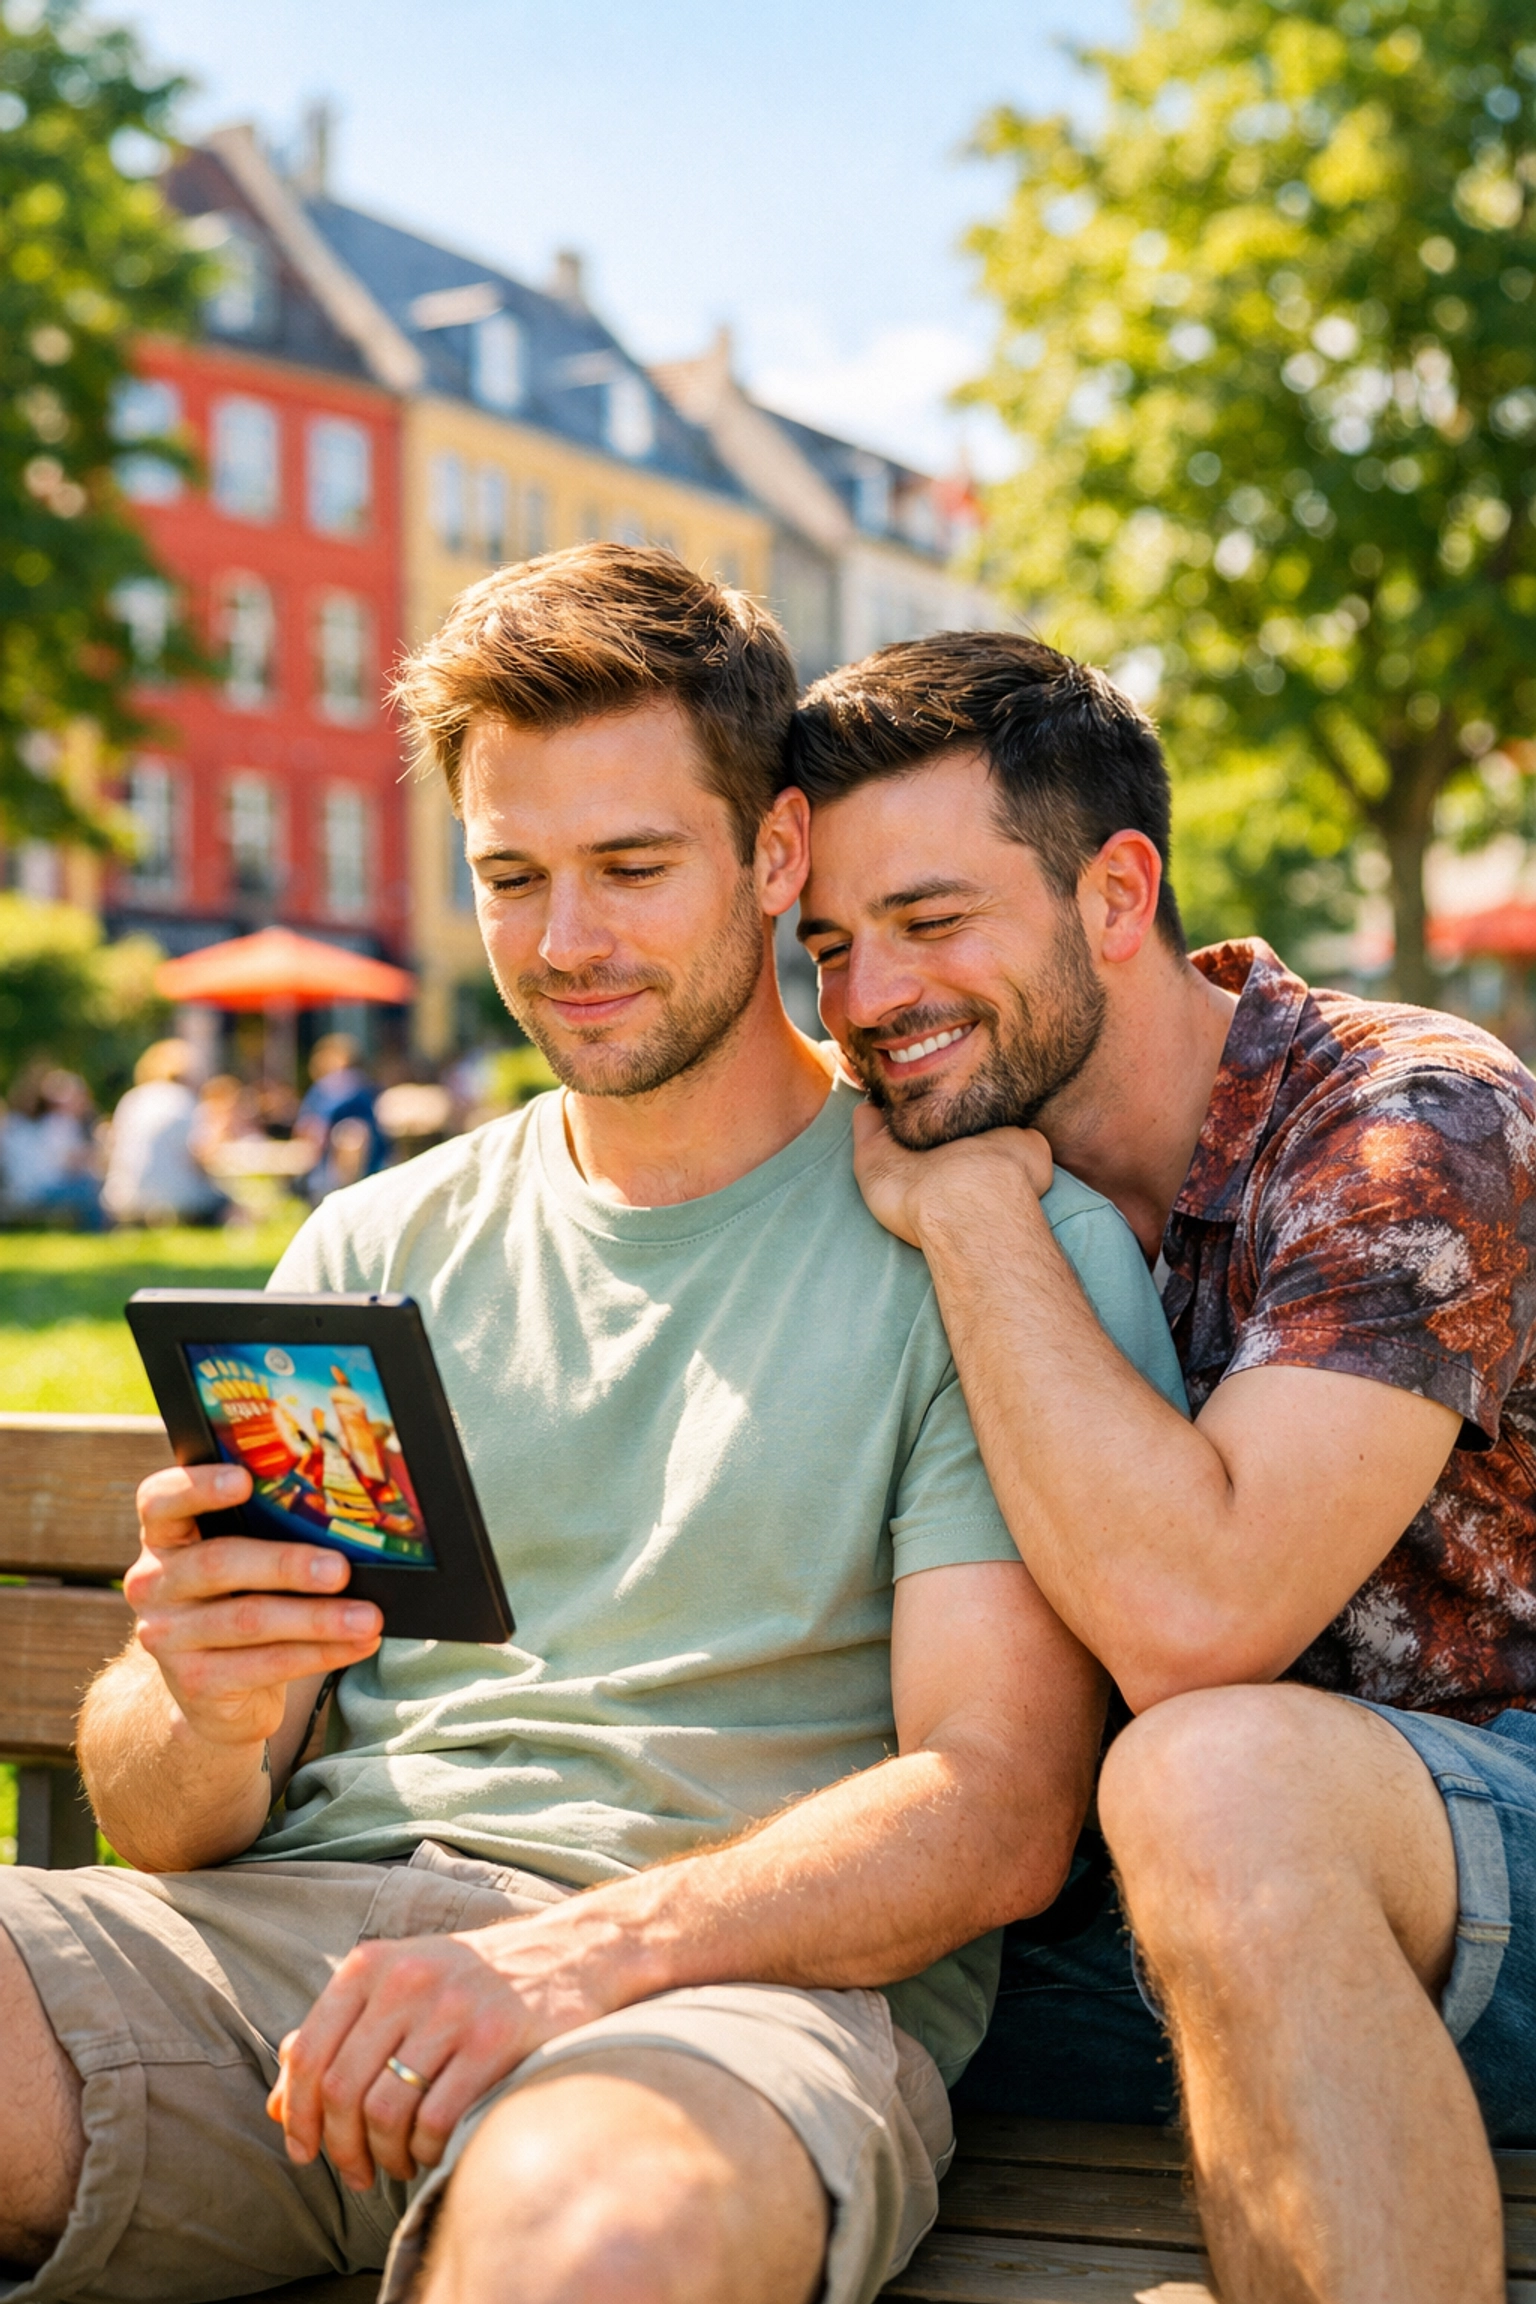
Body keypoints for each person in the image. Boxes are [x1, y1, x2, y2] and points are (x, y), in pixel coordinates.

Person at [0, 551, 1182, 2304]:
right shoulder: (373, 1244)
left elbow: (998, 1804)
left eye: (633, 867)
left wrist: (558, 1963)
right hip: (291, 1968)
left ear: (775, 854)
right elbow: (170, 1818)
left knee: (598, 2240)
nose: (569, 943)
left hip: (728, 1996)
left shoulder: (985, 1245)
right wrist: (200, 1699)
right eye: (513, 877)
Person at [787, 628, 1536, 2304]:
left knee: (1211, 1765)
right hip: (1137, 1936)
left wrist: (980, 1219)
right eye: (826, 943)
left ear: (1115, 894)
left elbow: (1197, 1625)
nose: (864, 1000)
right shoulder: (910, 1153)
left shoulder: (1409, 1117)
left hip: (1497, 1841)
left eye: (928, 919)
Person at [102, 1040, 231, 1227]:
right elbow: (199, 1158)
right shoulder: (187, 1101)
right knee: (224, 1199)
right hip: (177, 1199)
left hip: (123, 1196)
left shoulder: (132, 1099)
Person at [0, 1064, 103, 1229]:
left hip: (31, 1189)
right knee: (88, 1188)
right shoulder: (57, 1125)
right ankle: (100, 1233)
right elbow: (68, 1166)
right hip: (38, 1190)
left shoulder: (34, 1126)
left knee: (88, 1187)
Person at [297, 1033, 388, 1199]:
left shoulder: (338, 1087)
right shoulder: (366, 1087)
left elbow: (310, 1131)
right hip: (370, 1171)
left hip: (333, 1174)